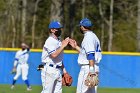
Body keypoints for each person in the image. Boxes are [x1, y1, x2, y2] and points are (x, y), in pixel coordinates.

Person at [69, 18, 102, 93]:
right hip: (94, 66)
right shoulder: (94, 36)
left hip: (88, 68)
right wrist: (76, 47)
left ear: (83, 27)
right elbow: (86, 53)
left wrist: (91, 70)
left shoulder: (88, 37)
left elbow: (90, 55)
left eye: (80, 26)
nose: (80, 27)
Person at [40, 20, 70, 93]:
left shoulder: (58, 41)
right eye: (58, 28)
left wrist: (64, 71)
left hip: (58, 70)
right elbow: (54, 55)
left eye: (60, 28)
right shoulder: (50, 41)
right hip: (49, 69)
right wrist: (63, 45)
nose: (60, 30)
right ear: (52, 30)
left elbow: (59, 59)